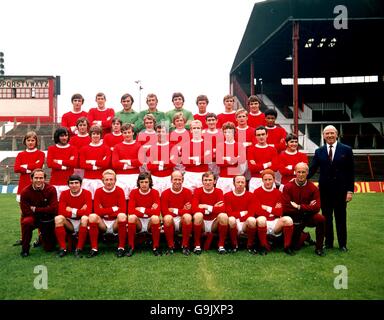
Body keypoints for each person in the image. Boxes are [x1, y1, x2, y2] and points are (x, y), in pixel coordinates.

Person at [308, 125, 354, 252]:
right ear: (323, 136)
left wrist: (350, 191)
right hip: (325, 191)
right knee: (326, 218)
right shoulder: (319, 151)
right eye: (327, 133)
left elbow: (351, 172)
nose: (329, 136)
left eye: (332, 133)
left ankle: (342, 244)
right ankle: (328, 243)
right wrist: (301, 178)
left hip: (341, 191)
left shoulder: (347, 149)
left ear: (337, 134)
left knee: (341, 218)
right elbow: (312, 169)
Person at [281, 162, 326, 256]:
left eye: (303, 172)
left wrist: (299, 207)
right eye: (299, 172)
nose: (301, 175)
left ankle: (319, 248)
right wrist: (308, 207)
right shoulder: (288, 187)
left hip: (307, 217)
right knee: (295, 246)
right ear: (295, 172)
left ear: (307, 173)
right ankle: (305, 236)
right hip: (293, 218)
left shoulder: (313, 188)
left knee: (320, 218)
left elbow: (317, 208)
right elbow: (286, 208)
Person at [13, 131, 45, 246]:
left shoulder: (41, 154)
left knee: (40, 214)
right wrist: (30, 167)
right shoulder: (20, 155)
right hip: (23, 187)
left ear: (36, 141)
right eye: (28, 140)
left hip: (37, 187)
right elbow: (16, 168)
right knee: (24, 214)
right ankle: (23, 238)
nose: (30, 142)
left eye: (33, 140)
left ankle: (41, 238)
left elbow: (39, 166)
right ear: (25, 141)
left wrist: (24, 166)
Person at [87, 169, 127, 258]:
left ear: (115, 180)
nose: (109, 182)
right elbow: (97, 211)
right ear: (103, 181)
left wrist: (104, 211)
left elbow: (123, 210)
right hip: (103, 223)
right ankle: (94, 248)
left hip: (115, 223)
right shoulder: (98, 191)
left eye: (111, 179)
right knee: (93, 216)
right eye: (106, 180)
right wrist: (114, 208)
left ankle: (121, 248)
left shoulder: (120, 191)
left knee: (122, 216)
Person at [254, 169, 295, 255]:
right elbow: (257, 211)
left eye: (270, 179)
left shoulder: (278, 193)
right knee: (261, 219)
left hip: (275, 222)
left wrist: (266, 208)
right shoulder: (257, 192)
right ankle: (263, 246)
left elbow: (280, 212)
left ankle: (287, 246)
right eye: (265, 180)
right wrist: (273, 210)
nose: (268, 182)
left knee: (288, 220)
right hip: (263, 222)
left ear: (273, 179)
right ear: (262, 180)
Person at [19, 169, 58, 257]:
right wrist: (45, 209)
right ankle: (25, 249)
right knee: (26, 222)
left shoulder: (51, 189)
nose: (38, 180)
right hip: (33, 217)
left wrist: (36, 209)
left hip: (47, 218)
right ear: (31, 179)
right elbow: (26, 211)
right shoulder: (25, 192)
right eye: (36, 178)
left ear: (44, 179)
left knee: (49, 248)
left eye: (41, 178)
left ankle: (41, 238)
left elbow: (54, 209)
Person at [54, 175, 92, 257]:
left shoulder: (87, 193)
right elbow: (61, 211)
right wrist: (80, 211)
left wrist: (72, 210)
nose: (74, 185)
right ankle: (63, 248)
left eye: (76, 183)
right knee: (58, 218)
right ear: (68, 185)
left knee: (85, 218)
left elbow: (88, 212)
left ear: (80, 184)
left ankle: (79, 249)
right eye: (71, 183)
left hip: (82, 221)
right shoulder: (64, 194)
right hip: (69, 222)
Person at [192, 171, 229, 254]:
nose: (207, 182)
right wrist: (213, 208)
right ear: (202, 181)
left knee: (223, 216)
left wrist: (206, 206)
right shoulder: (197, 191)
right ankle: (197, 245)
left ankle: (221, 246)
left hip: (214, 222)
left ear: (214, 181)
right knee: (198, 215)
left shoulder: (219, 191)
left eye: (210, 180)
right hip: (202, 222)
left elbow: (222, 209)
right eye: (205, 180)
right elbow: (194, 209)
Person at [127, 172, 162, 256]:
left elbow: (157, 212)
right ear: (138, 182)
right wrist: (149, 211)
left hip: (150, 221)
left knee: (155, 218)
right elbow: (131, 211)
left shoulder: (155, 193)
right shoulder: (134, 192)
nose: (144, 184)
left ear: (150, 182)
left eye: (146, 182)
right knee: (131, 217)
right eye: (141, 182)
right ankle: (131, 246)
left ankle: (155, 247)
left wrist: (141, 209)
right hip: (139, 221)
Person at [160, 170, 193, 255]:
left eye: (179, 179)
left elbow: (189, 211)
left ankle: (185, 246)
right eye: (175, 179)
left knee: (188, 216)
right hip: (171, 220)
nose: (177, 182)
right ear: (171, 180)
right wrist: (182, 210)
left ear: (182, 180)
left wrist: (174, 210)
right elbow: (164, 212)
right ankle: (171, 246)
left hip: (183, 220)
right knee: (167, 218)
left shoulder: (188, 192)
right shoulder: (165, 193)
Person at [224, 175, 258, 254]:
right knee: (231, 219)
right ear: (234, 183)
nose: (240, 184)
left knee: (252, 220)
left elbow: (251, 213)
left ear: (245, 183)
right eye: (238, 182)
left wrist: (239, 217)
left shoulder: (251, 196)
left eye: (242, 182)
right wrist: (242, 213)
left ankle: (250, 245)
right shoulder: (227, 196)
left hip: (245, 223)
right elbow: (229, 213)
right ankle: (234, 245)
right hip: (233, 223)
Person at [79, 125, 111, 198]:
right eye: (93, 134)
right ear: (90, 135)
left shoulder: (106, 148)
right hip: (87, 179)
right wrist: (98, 165)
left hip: (101, 180)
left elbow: (106, 164)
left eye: (97, 134)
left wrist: (91, 162)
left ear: (100, 135)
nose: (95, 136)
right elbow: (82, 164)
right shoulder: (84, 149)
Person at [112, 123, 142, 200]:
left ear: (133, 133)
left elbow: (140, 161)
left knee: (134, 198)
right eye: (125, 133)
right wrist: (132, 164)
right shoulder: (117, 147)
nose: (127, 134)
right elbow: (115, 163)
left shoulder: (138, 145)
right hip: (121, 177)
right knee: (122, 198)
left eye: (129, 132)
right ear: (122, 134)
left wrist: (126, 162)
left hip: (135, 175)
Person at [47, 127, 78, 200]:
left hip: (69, 183)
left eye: (66, 135)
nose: (64, 138)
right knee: (55, 205)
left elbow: (73, 163)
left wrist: (58, 161)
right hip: (55, 182)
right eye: (62, 136)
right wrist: (65, 166)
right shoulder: (52, 149)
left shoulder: (73, 148)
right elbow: (50, 163)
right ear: (57, 137)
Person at [247, 126, 279, 192]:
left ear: (267, 135)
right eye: (258, 135)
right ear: (255, 136)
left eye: (263, 134)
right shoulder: (251, 149)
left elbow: (275, 167)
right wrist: (267, 165)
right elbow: (252, 168)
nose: (261, 137)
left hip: (269, 180)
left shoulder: (272, 149)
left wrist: (258, 167)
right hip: (255, 180)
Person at [146, 124, 176, 195]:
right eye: (158, 132)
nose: (160, 134)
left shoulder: (172, 147)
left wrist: (157, 163)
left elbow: (172, 163)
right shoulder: (151, 148)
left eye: (163, 131)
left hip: (168, 178)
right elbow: (150, 166)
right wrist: (165, 163)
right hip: (155, 178)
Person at [216, 122, 243, 194]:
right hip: (223, 178)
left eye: (229, 132)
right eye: (225, 132)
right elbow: (219, 162)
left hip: (235, 178)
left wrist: (226, 158)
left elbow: (241, 160)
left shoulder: (239, 145)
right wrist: (235, 159)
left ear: (234, 132)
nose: (227, 134)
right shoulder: (219, 145)